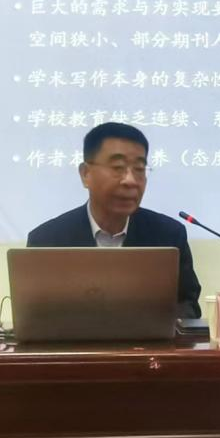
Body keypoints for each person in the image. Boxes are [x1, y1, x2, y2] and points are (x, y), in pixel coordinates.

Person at [26, 122, 202, 318]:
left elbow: (188, 305)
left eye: (139, 169)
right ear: (85, 174)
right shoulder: (47, 241)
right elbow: (36, 315)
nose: (131, 180)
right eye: (118, 167)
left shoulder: (168, 235)